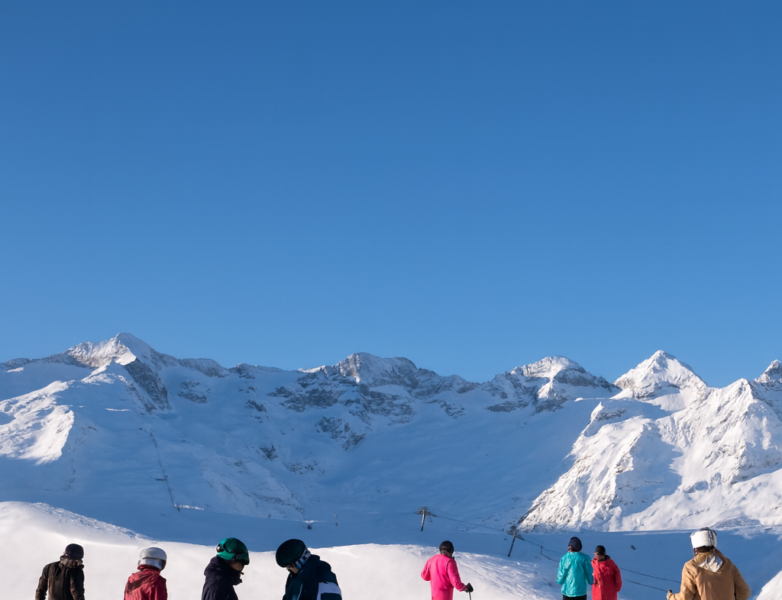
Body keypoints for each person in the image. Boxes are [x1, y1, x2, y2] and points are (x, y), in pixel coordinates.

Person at [667, 527, 750, 600]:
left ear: (695, 548)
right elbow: (744, 592)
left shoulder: (691, 567)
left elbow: (685, 596)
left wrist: (671, 598)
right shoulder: (728, 564)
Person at [275, 539, 342, 600]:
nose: (289, 570)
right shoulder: (294, 579)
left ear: (300, 561)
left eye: (289, 566)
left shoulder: (323, 577)